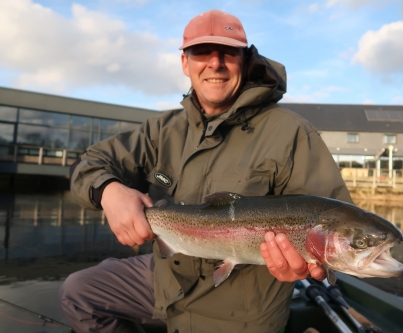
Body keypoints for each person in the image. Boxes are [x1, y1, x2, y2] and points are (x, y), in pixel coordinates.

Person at [60, 9, 352, 333]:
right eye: (201, 52)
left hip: (241, 312)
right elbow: (88, 163)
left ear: (246, 60)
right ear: (185, 63)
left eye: (228, 52)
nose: (215, 63)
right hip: (166, 279)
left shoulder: (292, 133)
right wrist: (108, 191)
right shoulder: (160, 130)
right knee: (79, 292)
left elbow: (331, 220)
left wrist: (310, 265)